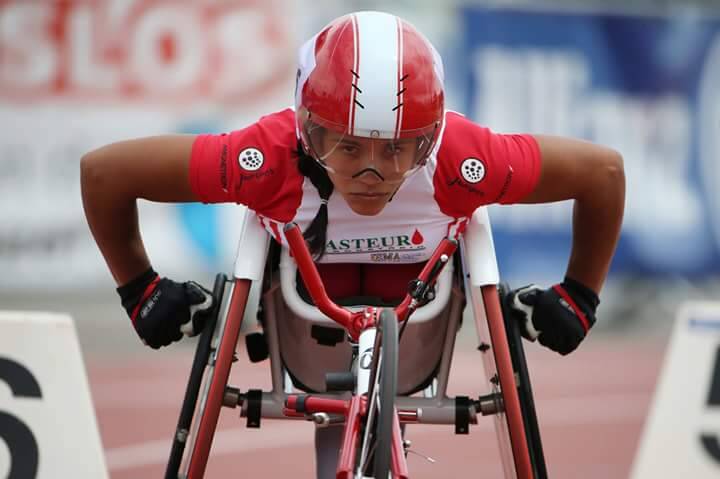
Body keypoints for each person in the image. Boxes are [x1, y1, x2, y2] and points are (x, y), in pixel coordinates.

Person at [80, 10, 625, 477]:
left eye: (400, 149)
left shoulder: (462, 158)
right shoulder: (268, 156)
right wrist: (140, 288)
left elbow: (603, 173)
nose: (371, 170)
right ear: (304, 129)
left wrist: (581, 296)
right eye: (343, 145)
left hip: (418, 334)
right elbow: (104, 175)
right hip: (301, 331)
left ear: (432, 137)